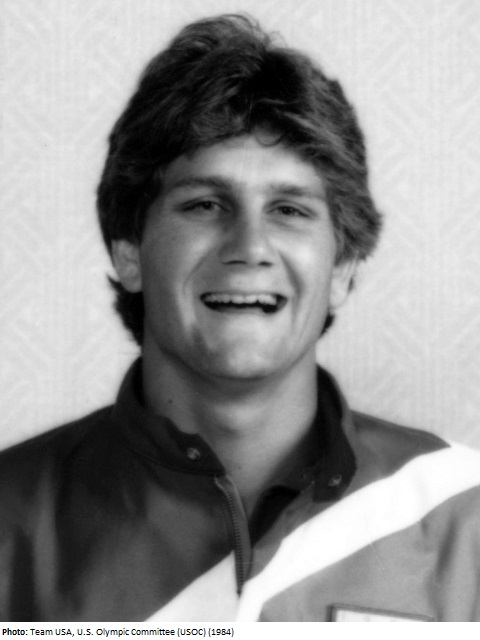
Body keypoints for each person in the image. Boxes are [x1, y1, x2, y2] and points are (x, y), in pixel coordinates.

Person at [1, 14, 479, 623]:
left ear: (342, 267)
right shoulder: (10, 518)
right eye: (205, 205)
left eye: (289, 209)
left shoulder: (464, 514)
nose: (250, 247)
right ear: (129, 252)